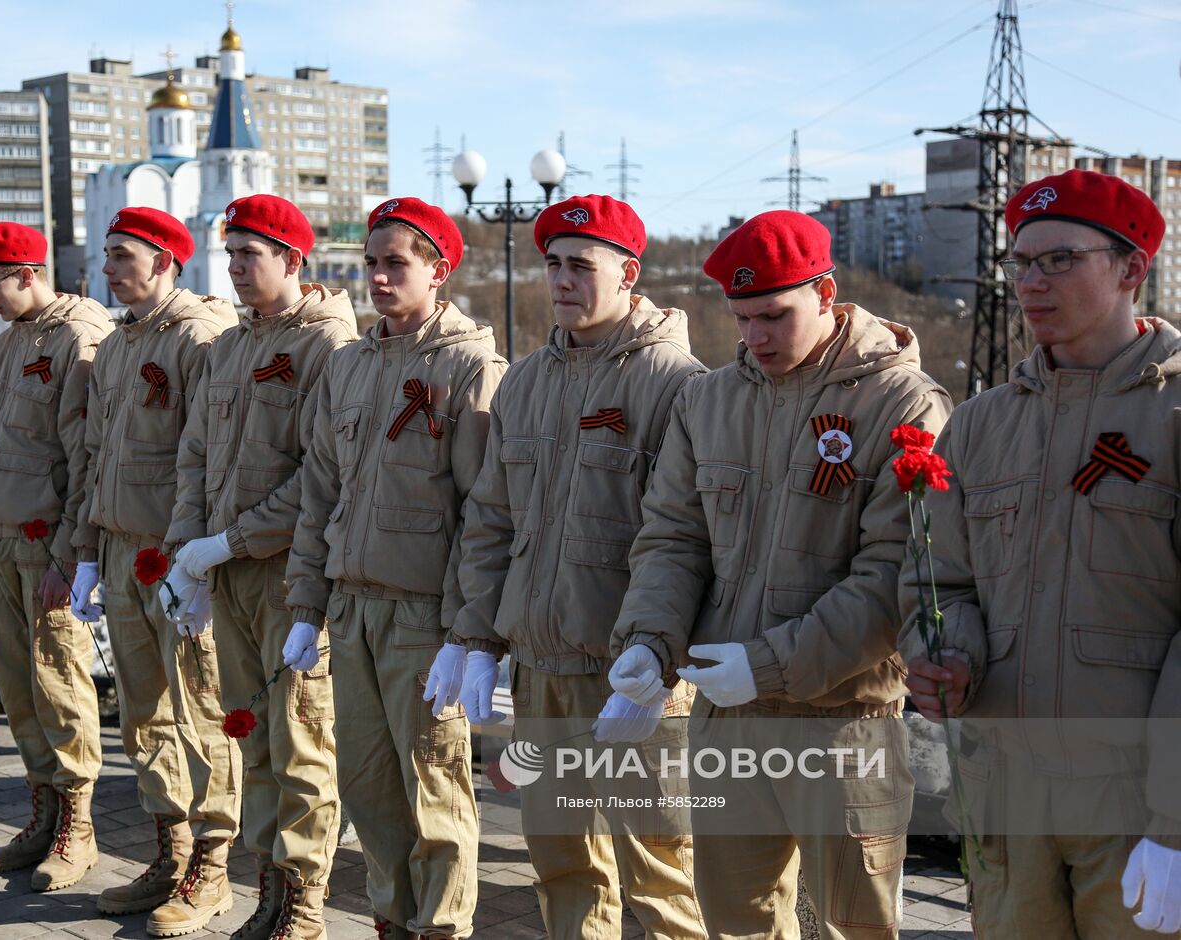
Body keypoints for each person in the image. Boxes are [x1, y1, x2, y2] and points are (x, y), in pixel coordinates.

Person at [608, 210, 952, 937]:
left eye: (773, 315)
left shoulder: (902, 402)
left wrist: (766, 664)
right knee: (736, 920)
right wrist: (649, 640)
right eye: (741, 319)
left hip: (843, 724)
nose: (754, 337)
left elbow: (895, 572)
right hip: (727, 717)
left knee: (853, 925)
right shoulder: (709, 400)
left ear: (826, 295)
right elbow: (673, 537)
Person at [901, 169, 1181, 938]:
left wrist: (1175, 822)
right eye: (1021, 262)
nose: (1031, 281)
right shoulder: (982, 425)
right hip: (1006, 800)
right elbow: (941, 582)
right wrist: (950, 657)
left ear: (1132, 269)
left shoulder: (1173, 415)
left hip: (1134, 805)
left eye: (1060, 260)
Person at [440, 194, 707, 938]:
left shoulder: (677, 384)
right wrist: (475, 636)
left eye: (580, 266)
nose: (561, 280)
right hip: (543, 667)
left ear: (629, 273)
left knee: (657, 867)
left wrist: (658, 664)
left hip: (630, 674)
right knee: (560, 859)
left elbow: (689, 539)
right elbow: (491, 520)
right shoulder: (526, 382)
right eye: (552, 264)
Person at [283, 197, 505, 939]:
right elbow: (320, 491)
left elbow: (484, 511)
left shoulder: (471, 366)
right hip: (350, 608)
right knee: (367, 786)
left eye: (395, 264)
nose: (378, 277)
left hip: (423, 618)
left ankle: (441, 928)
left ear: (438, 272)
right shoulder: (347, 365)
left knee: (436, 788)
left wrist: (466, 633)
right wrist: (306, 604)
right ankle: (391, 920)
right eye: (371, 263)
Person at [162, 194, 358, 939]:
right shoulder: (230, 346)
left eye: (253, 254)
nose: (238, 268)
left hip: (289, 574)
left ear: (293, 261)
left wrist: (232, 542)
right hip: (229, 570)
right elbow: (194, 458)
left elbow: (319, 476)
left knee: (303, 737)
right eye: (231, 253)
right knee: (255, 738)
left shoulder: (328, 347)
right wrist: (190, 555)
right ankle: (269, 891)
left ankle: (304, 904)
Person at [63, 207, 241, 935]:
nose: (108, 267)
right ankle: (169, 848)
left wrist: (194, 558)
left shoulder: (199, 338)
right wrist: (83, 550)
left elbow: (209, 459)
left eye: (122, 255)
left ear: (165, 260)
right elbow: (96, 458)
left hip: (174, 557)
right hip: (119, 547)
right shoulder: (116, 344)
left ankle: (214, 863)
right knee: (144, 716)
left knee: (199, 712)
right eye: (106, 254)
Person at [0, 221, 111, 890]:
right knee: (19, 693)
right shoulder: (8, 341)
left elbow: (84, 460)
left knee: (60, 689)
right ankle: (43, 816)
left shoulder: (80, 335)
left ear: (28, 273)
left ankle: (77, 829)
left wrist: (68, 556)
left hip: (41, 548)